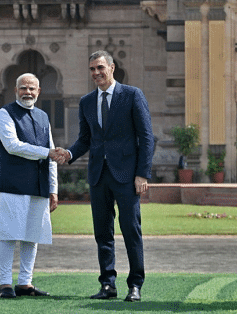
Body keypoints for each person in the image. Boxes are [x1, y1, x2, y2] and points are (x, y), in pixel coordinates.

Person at [56, 51, 154, 302]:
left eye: (100, 67)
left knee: (131, 230)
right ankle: (108, 284)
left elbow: (146, 138)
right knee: (102, 232)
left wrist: (142, 174)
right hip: (98, 175)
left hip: (127, 176)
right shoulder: (87, 102)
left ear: (112, 67)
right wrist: (68, 153)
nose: (96, 73)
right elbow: (85, 140)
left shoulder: (132, 95)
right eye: (92, 69)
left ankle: (135, 285)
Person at [0, 73, 65, 298]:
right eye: (23, 88)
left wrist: (53, 189)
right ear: (16, 90)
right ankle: (5, 283)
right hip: (12, 184)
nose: (28, 92)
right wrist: (46, 153)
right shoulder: (5, 113)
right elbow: (12, 145)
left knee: (32, 234)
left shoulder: (43, 117)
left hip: (39, 184)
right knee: (8, 234)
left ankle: (25, 283)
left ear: (39, 91)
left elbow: (51, 153)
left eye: (32, 88)